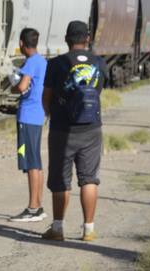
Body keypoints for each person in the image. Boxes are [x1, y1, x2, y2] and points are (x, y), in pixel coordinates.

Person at [41, 21, 106, 242]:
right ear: (87, 39)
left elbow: (46, 97)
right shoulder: (99, 62)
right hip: (92, 129)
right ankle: (89, 230)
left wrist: (52, 114)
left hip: (62, 129)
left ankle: (57, 229)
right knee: (89, 179)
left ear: (67, 39)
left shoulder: (57, 63)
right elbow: (97, 92)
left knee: (61, 180)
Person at [8, 28, 48, 222]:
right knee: (36, 163)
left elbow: (23, 86)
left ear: (22, 43)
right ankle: (38, 206)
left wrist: (13, 87)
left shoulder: (31, 63)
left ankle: (33, 208)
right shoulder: (42, 61)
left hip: (27, 117)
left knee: (31, 163)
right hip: (38, 116)